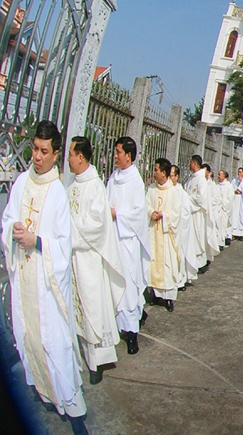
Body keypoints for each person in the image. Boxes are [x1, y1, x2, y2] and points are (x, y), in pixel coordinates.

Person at [1, 120, 89, 435]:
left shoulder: (58, 194)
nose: (37, 157)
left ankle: (76, 411)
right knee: (31, 339)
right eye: (35, 150)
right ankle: (48, 394)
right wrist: (13, 232)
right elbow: (9, 217)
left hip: (47, 284)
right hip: (24, 276)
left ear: (55, 154)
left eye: (43, 152)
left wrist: (36, 241)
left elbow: (63, 246)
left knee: (57, 345)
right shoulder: (22, 181)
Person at [66, 136, 126, 385]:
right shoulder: (73, 185)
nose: (67, 158)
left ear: (80, 156)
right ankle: (81, 355)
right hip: (74, 257)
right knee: (77, 307)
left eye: (70, 153)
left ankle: (97, 361)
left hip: (89, 258)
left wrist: (68, 228)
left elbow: (97, 224)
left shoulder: (94, 185)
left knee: (92, 308)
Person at [106, 137, 150, 355]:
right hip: (113, 239)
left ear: (128, 156)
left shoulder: (136, 181)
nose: (115, 155)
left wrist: (117, 214)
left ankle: (132, 334)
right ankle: (115, 327)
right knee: (113, 284)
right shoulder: (113, 178)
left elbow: (137, 215)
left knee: (129, 287)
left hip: (128, 242)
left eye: (118, 152)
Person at [146, 159, 183, 313]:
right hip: (153, 232)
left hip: (166, 235)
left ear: (164, 173)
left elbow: (176, 214)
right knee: (153, 262)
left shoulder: (173, 191)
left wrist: (163, 215)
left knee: (167, 265)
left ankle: (168, 298)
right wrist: (150, 212)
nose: (154, 173)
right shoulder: (151, 189)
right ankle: (155, 294)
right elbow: (146, 204)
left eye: (156, 170)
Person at [184, 155, 211, 273]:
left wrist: (187, 200)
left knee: (197, 239)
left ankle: (201, 263)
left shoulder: (201, 179)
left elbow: (201, 198)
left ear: (194, 163)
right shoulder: (191, 178)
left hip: (197, 213)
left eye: (190, 163)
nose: (189, 165)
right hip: (189, 212)